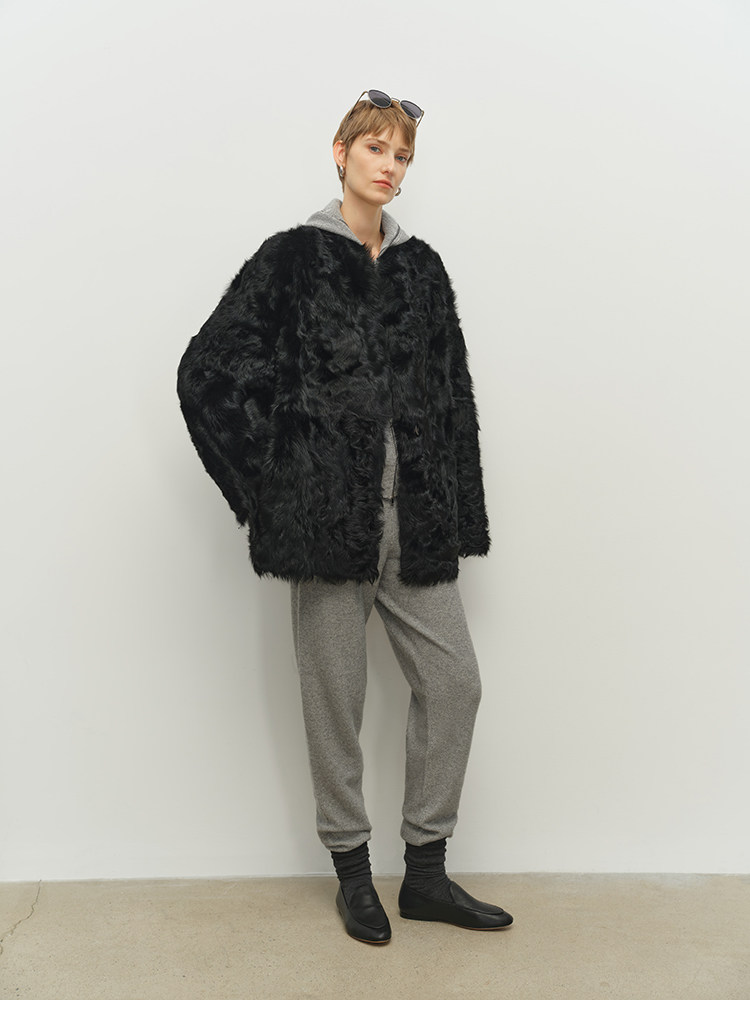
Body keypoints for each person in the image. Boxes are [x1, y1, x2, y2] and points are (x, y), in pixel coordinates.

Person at [177, 90, 513, 944]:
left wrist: (457, 514)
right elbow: (207, 373)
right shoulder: (291, 259)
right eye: (375, 148)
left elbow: (453, 396)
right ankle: (354, 875)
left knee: (456, 684)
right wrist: (277, 490)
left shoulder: (423, 269)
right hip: (328, 528)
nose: (389, 166)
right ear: (340, 152)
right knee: (336, 702)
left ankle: (426, 873)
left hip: (415, 525)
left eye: (402, 156)